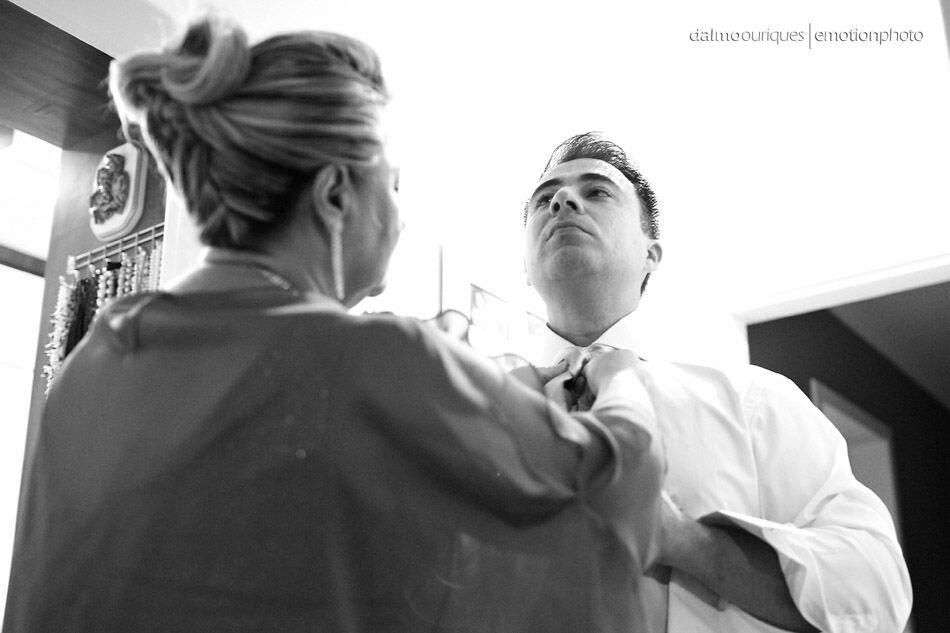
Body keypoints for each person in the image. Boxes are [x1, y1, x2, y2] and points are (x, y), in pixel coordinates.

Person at [3, 24, 666, 633]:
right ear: (334, 197)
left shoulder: (97, 355)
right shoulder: (376, 362)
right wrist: (620, 378)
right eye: (394, 188)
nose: (402, 218)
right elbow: (614, 492)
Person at [521, 132, 912, 633]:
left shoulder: (756, 402)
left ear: (651, 254)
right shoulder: (473, 415)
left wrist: (683, 541)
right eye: (544, 200)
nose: (561, 200)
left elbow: (877, 590)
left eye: (596, 191)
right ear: (525, 267)